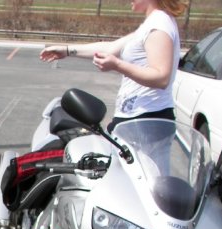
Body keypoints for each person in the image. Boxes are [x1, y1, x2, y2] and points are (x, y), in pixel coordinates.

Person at [39, 0, 187, 132]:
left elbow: (161, 77)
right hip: (136, 117)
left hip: (147, 119)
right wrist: (67, 50)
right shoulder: (153, 23)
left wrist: (117, 65)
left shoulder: (159, 26)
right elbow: (111, 48)